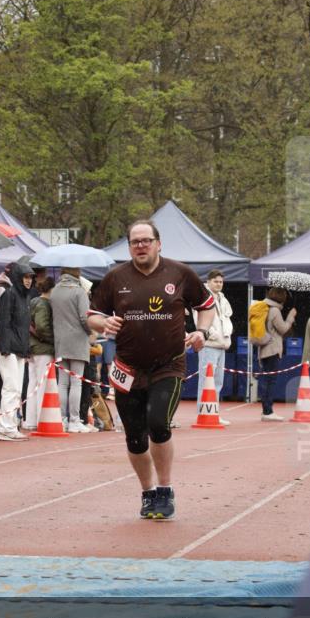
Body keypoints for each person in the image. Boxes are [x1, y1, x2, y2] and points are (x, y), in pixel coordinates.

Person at [88, 220, 215, 520]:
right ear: (129, 247)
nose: (141, 246)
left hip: (168, 365)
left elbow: (207, 306)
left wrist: (202, 332)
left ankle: (165, 490)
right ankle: (147, 492)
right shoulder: (115, 278)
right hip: (127, 368)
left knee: (158, 423)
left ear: (159, 243)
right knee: (134, 437)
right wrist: (103, 323)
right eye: (135, 242)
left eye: (146, 240)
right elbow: (92, 316)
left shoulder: (180, 274)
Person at [0, 260, 34, 441]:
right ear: (18, 277)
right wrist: (5, 347)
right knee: (11, 388)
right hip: (7, 348)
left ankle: (10, 426)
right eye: (25, 277)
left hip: (17, 348)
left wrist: (25, 350)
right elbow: (4, 323)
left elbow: (23, 327)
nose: (28, 280)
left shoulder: (26, 298)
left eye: (30, 277)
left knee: (16, 389)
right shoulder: (8, 295)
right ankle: (6, 428)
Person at [50, 267, 94, 433]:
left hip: (60, 341)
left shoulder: (55, 291)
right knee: (76, 382)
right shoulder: (79, 292)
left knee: (62, 383)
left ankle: (61, 418)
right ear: (77, 274)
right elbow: (85, 317)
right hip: (77, 341)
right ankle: (74, 420)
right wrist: (91, 331)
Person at [194, 269, 233, 424]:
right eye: (216, 281)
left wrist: (227, 334)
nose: (219, 284)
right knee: (206, 380)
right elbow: (199, 319)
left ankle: (213, 411)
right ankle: (202, 412)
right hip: (209, 344)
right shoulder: (203, 296)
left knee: (218, 381)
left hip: (222, 344)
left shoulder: (222, 298)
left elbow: (226, 318)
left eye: (221, 282)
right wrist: (214, 335)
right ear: (209, 281)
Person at [258, 288, 296, 421]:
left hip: (263, 348)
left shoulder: (265, 307)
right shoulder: (274, 310)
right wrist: (290, 318)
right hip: (272, 349)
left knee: (266, 380)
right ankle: (268, 411)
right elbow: (283, 329)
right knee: (271, 381)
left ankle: (266, 410)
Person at [24, 275, 55, 431]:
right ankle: (40, 419)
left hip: (32, 348)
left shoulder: (33, 302)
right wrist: (53, 340)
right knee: (42, 385)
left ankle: (30, 420)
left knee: (33, 384)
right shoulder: (44, 304)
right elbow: (42, 327)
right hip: (43, 349)